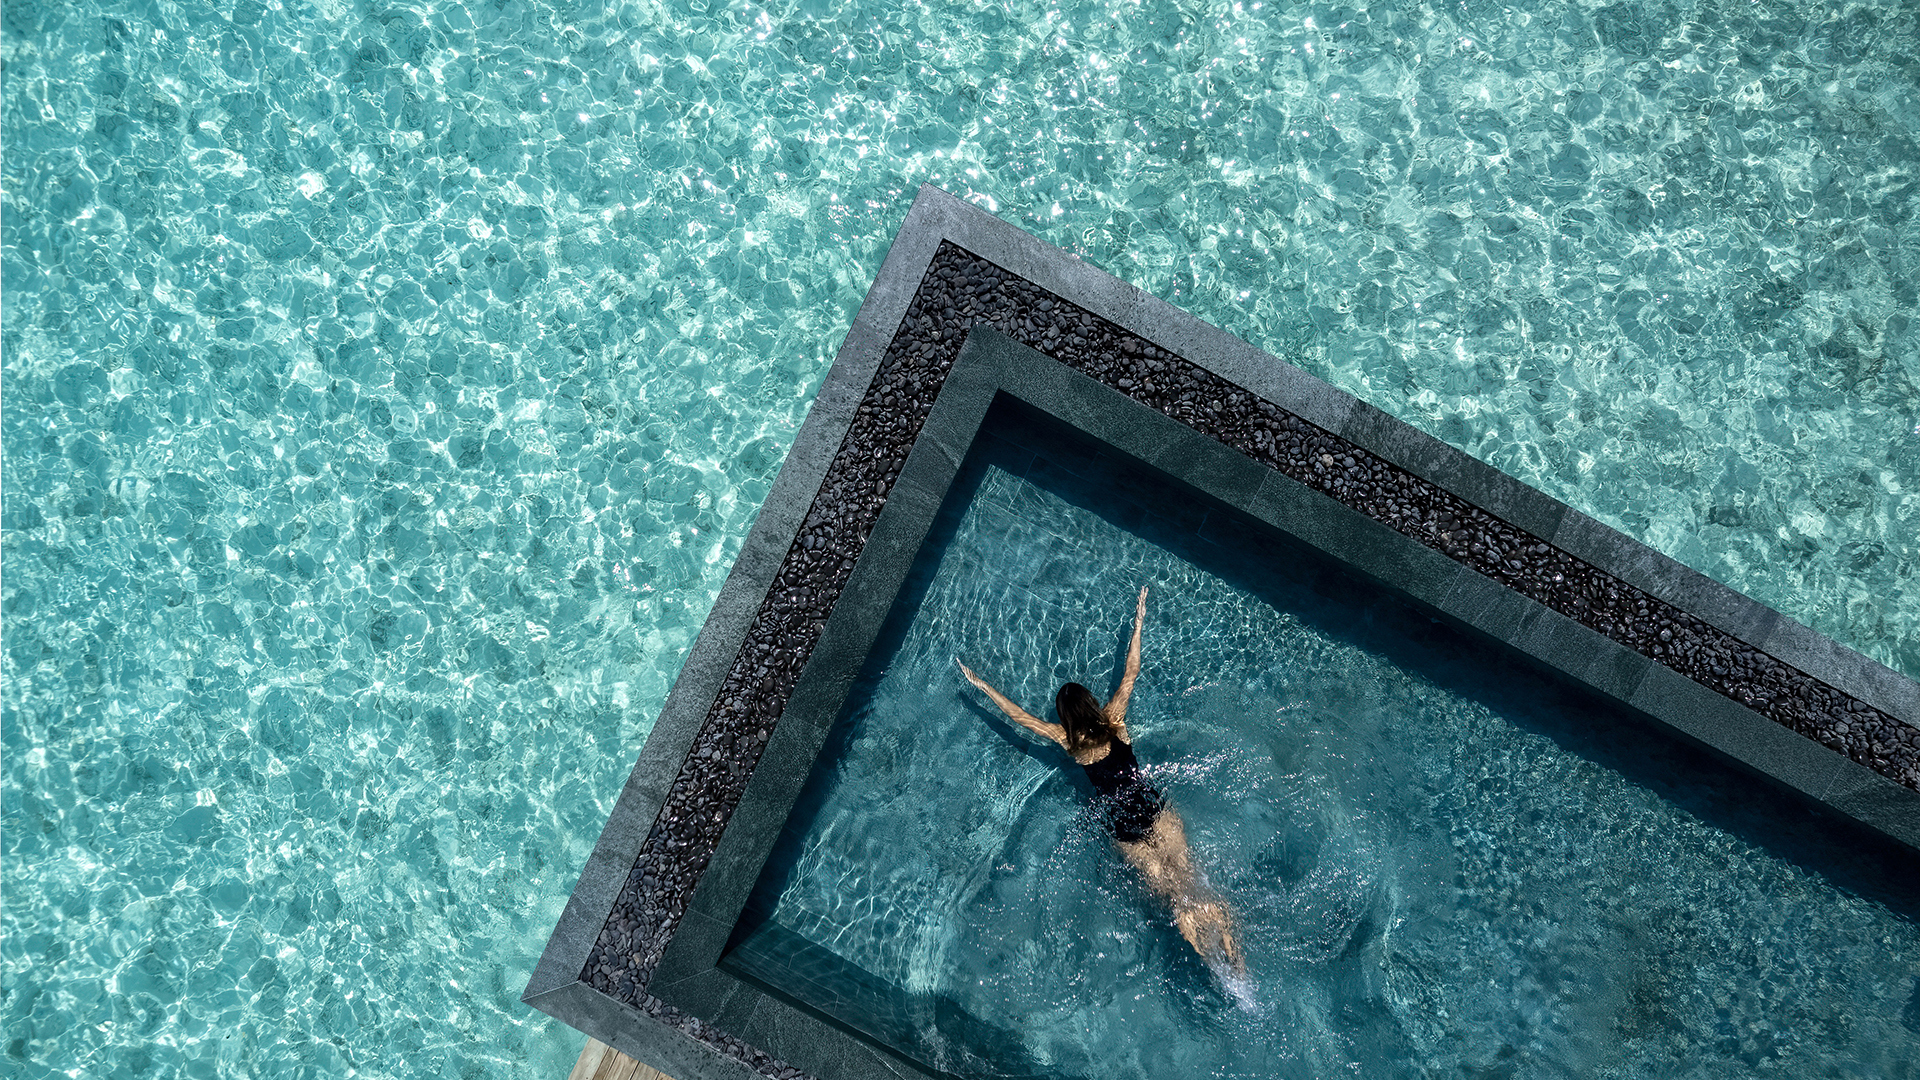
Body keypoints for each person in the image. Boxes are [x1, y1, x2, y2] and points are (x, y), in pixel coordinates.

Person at [957, 586, 1246, 975]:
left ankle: (1193, 932)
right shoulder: (1114, 719)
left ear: (1066, 717)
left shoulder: (1068, 741)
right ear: (1092, 704)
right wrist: (1139, 621)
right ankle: (1223, 932)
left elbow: (1021, 718)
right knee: (1189, 871)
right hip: (1153, 809)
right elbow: (1131, 671)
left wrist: (984, 687)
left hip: (1123, 829)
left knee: (1168, 890)